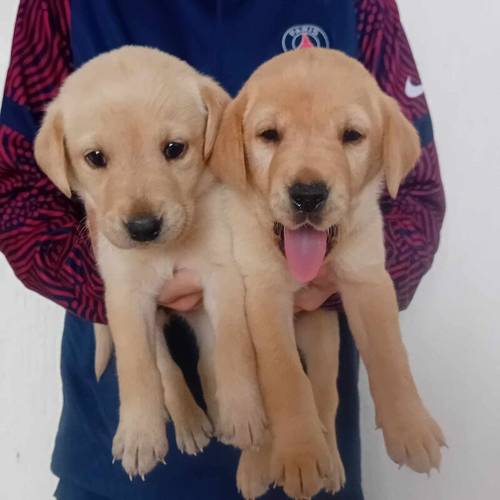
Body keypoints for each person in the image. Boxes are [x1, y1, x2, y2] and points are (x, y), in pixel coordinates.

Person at [0, 1, 445, 498]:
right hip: (120, 458)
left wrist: (302, 283)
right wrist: (130, 282)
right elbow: (17, 196)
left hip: (309, 445)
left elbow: (416, 201)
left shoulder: (362, 6)